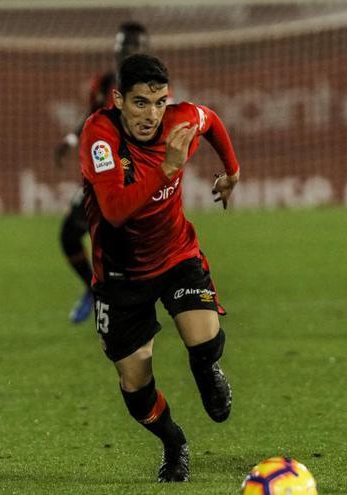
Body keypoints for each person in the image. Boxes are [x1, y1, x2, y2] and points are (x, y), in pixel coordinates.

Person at [80, 54, 240, 482]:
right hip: (119, 276)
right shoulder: (100, 135)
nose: (151, 115)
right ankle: (174, 442)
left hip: (175, 255)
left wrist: (233, 171)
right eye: (139, 103)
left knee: (203, 342)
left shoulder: (180, 120)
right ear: (118, 100)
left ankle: (206, 368)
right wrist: (166, 168)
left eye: (158, 102)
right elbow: (114, 210)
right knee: (135, 385)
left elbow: (211, 120)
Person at [54, 21, 150, 324]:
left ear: (143, 49)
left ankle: (139, 311)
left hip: (133, 180)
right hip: (100, 177)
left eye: (130, 45)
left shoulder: (153, 86)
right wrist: (71, 139)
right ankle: (94, 291)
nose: (123, 49)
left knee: (128, 253)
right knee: (70, 235)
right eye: (120, 44)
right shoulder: (106, 82)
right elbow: (91, 117)